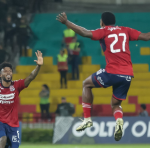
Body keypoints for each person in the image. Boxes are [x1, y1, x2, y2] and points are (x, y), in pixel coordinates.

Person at [56, 12, 150, 141]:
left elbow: (84, 32)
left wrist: (67, 22)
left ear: (102, 22)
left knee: (86, 84)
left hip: (112, 71)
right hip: (127, 75)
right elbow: (146, 36)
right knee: (116, 105)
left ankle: (87, 119)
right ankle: (119, 121)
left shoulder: (104, 31)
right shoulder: (126, 30)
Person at [0, 50, 43, 148]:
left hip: (13, 125)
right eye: (5, 71)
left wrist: (39, 66)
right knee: (3, 139)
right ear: (0, 75)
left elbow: (30, 77)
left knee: (15, 146)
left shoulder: (16, 85)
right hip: (0, 122)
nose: (8, 73)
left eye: (10, 71)